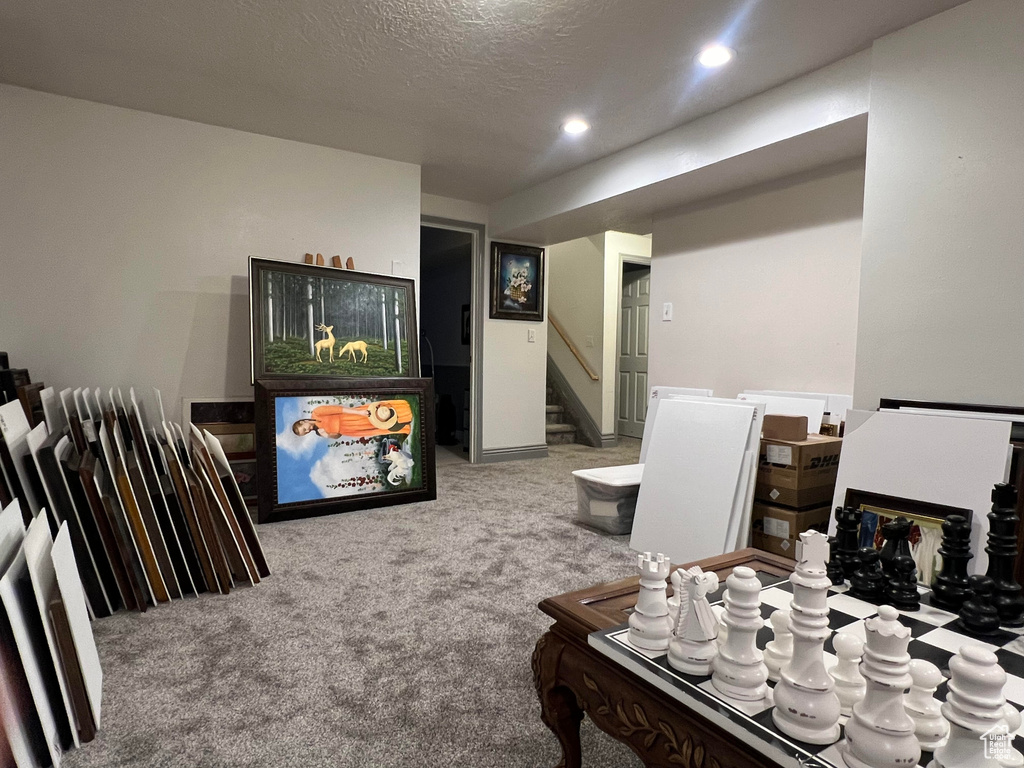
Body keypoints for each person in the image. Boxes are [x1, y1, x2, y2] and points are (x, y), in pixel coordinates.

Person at [292, 400, 412, 439]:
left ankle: (404, 414)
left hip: (351, 416)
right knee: (376, 427)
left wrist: (359, 412)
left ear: (303, 421)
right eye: (305, 433)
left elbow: (339, 409)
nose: (307, 431)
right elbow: (338, 436)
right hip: (350, 430)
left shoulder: (317, 413)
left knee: (378, 417)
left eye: (304, 429)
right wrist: (328, 435)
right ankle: (405, 426)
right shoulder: (319, 433)